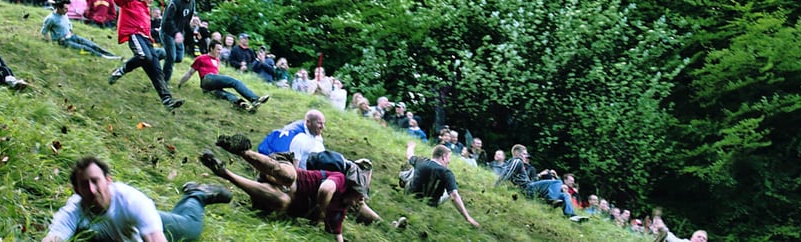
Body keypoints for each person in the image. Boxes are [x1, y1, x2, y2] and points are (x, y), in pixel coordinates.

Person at [199, 140, 369, 242]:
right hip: (278, 169)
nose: (359, 203)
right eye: (360, 198)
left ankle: (224, 173)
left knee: (283, 202)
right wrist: (324, 211)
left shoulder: (339, 213)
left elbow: (337, 236)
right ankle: (242, 150)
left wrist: (328, 218)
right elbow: (325, 190)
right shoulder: (340, 180)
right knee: (289, 177)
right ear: (355, 190)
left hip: (270, 196)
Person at [41, 156, 231, 242]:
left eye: (96, 181)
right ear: (77, 190)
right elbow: (55, 236)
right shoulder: (75, 208)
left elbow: (155, 239)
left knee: (191, 228)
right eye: (84, 184)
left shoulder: (132, 201)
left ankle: (197, 194)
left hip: (148, 224)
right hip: (128, 228)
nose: (91, 189)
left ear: (108, 181)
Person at [107, 0, 185, 109]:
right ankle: (121, 70)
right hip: (134, 35)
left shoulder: (146, 10)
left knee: (157, 71)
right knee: (144, 56)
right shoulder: (130, 3)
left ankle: (167, 101)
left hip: (147, 40)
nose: (151, 0)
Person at [399, 141, 480, 228]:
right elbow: (454, 196)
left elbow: (409, 155)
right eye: (449, 158)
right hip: (431, 204)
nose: (449, 162)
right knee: (452, 190)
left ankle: (402, 177)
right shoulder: (447, 173)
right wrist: (468, 217)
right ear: (443, 157)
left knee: (413, 170)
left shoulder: (421, 161)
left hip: (410, 194)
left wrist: (411, 146)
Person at [494, 144, 583, 220]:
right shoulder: (517, 161)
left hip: (529, 187)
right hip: (526, 189)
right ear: (518, 153)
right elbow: (507, 172)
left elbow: (527, 180)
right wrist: (496, 186)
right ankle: (551, 199)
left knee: (564, 195)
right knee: (557, 182)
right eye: (524, 154)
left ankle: (571, 215)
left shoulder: (521, 164)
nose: (526, 156)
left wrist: (540, 177)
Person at [178, 39, 270, 112]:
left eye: (220, 50)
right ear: (211, 48)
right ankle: (254, 99)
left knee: (227, 95)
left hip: (209, 88)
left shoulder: (217, 61)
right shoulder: (201, 58)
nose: (219, 52)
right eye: (218, 49)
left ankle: (243, 105)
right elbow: (190, 73)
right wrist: (180, 84)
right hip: (207, 78)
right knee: (235, 82)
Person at [42, 0, 121, 60]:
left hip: (71, 36)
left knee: (92, 45)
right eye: (65, 8)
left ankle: (113, 56)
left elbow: (69, 23)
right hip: (63, 41)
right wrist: (50, 42)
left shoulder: (64, 14)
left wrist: (70, 30)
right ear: (59, 8)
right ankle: (105, 58)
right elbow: (44, 31)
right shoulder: (51, 18)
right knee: (85, 49)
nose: (67, 10)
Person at [160, 0, 199, 82]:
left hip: (179, 33)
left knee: (179, 57)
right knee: (171, 58)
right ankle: (163, 82)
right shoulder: (175, 1)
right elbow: (167, 20)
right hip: (168, 32)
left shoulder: (192, 3)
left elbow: (186, 21)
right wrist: (176, 33)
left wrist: (193, 29)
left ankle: (158, 53)